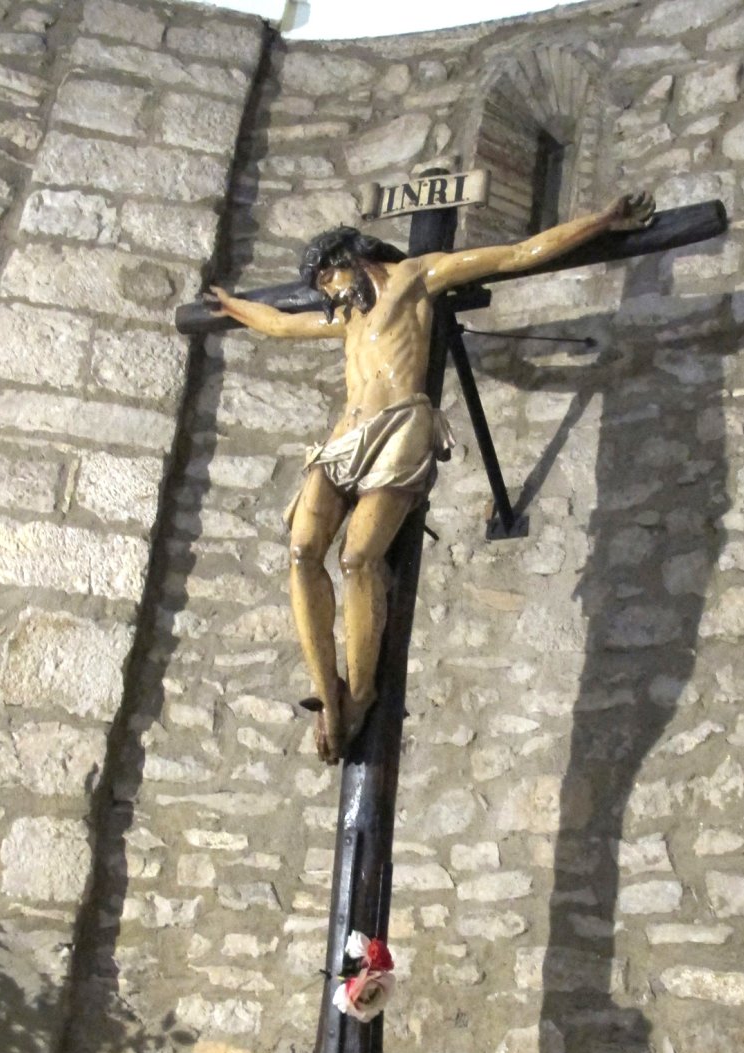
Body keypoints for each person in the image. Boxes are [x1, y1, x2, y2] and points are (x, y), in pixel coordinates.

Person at [208, 190, 656, 763]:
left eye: (329, 282)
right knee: (301, 551)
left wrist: (603, 219)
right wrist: (229, 306)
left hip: (399, 428)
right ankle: (328, 692)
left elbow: (519, 254)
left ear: (349, 257)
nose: (330, 299)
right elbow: (278, 325)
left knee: (358, 560)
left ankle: (363, 692)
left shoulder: (418, 277)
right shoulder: (348, 318)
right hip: (345, 438)